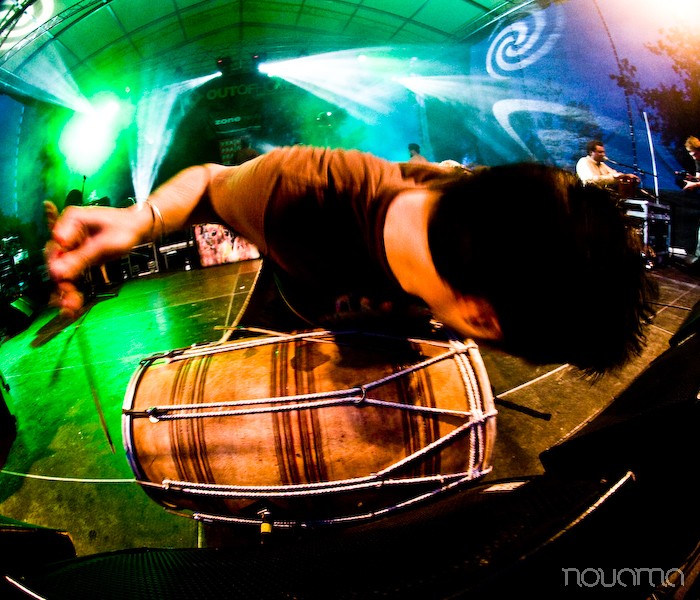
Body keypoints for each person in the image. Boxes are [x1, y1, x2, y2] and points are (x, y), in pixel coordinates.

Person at [45, 145, 656, 375]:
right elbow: (209, 179)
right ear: (481, 318)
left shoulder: (486, 206)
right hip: (294, 320)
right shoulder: (296, 193)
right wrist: (140, 219)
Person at [576, 140, 640, 190]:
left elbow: (614, 174)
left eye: (603, 152)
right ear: (591, 152)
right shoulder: (584, 161)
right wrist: (613, 177)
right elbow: (591, 180)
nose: (603, 154)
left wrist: (626, 177)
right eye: (600, 152)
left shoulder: (601, 164)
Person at [679, 136, 700, 268]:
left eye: (695, 154)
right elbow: (699, 178)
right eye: (691, 155)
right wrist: (692, 179)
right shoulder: (697, 160)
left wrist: (695, 185)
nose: (694, 157)